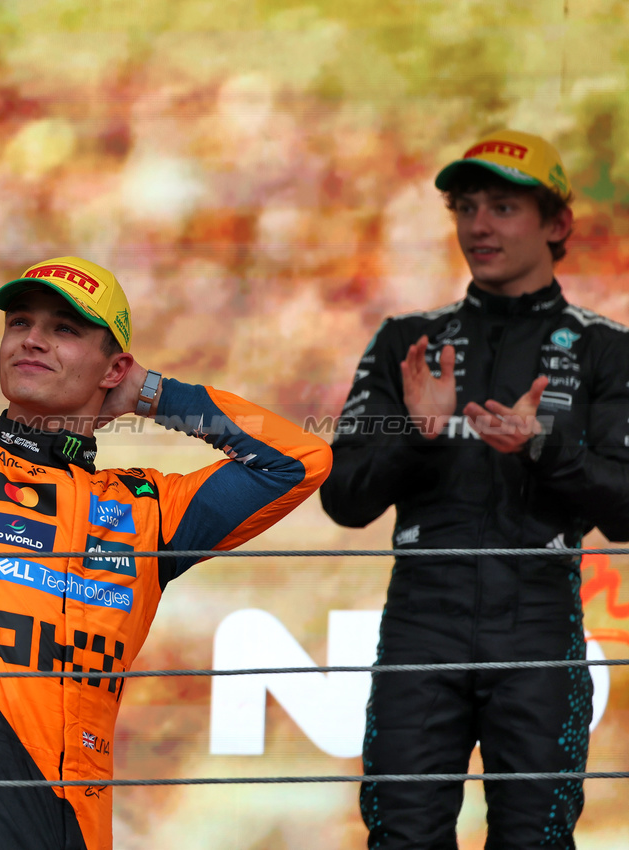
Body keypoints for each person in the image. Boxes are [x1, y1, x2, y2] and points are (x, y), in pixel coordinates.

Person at [0, 29, 332, 850]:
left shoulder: (145, 508)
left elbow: (299, 459)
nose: (32, 339)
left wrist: (151, 394)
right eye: (21, 323)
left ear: (111, 365)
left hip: (83, 821)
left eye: (65, 331)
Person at [321, 129, 629, 848]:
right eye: (464, 207)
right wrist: (414, 435)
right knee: (401, 836)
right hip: (420, 622)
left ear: (557, 226)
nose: (478, 226)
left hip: (539, 624)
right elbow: (342, 498)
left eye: (501, 207)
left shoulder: (604, 349)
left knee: (535, 839)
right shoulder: (407, 340)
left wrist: (544, 450)